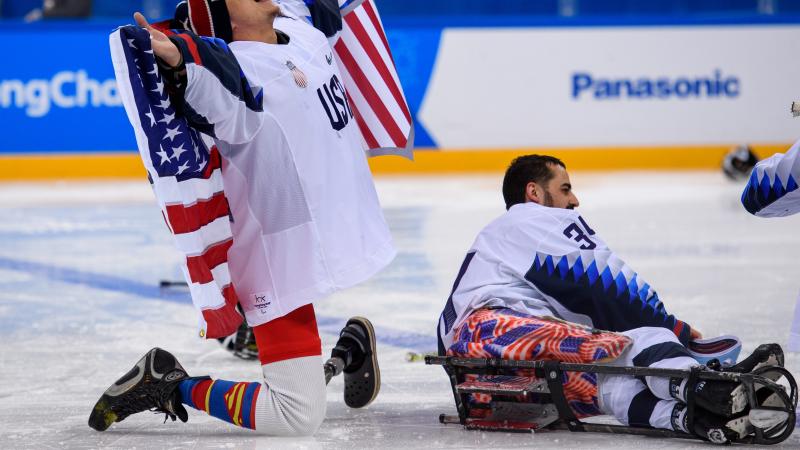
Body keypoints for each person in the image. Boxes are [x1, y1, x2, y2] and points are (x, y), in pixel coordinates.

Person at [90, 0, 396, 436]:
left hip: (323, 240)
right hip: (278, 264)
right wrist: (180, 58)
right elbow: (208, 75)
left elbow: (319, 8)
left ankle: (344, 354)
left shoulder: (299, 27)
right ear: (225, 18)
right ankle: (170, 384)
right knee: (295, 416)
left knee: (299, 390)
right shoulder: (239, 82)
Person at [436, 154, 784, 444]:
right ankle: (707, 385)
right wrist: (673, 328)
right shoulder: (529, 219)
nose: (574, 200)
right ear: (534, 193)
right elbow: (605, 284)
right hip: (491, 337)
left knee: (611, 383)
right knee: (642, 337)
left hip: (483, 384)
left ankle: (698, 416)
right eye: (565, 188)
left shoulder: (497, 245)